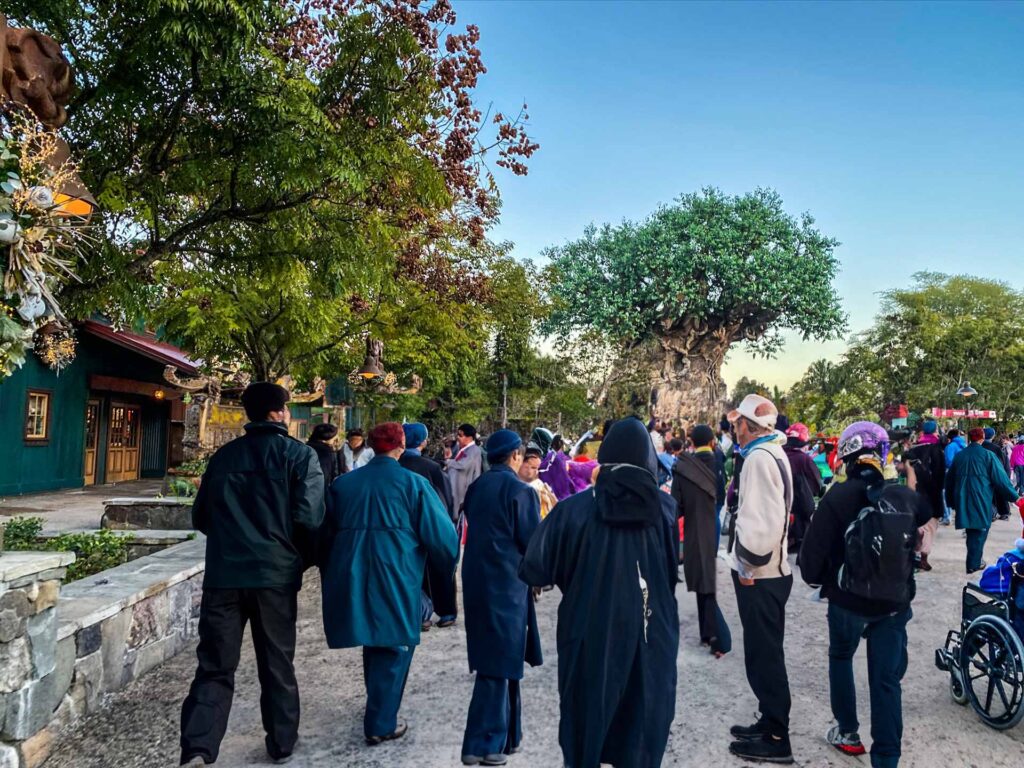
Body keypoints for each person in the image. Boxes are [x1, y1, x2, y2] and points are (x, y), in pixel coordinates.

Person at [180, 382, 325, 767]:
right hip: (275, 577)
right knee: (277, 662)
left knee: (214, 664)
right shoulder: (300, 456)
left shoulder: (223, 458)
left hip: (224, 575)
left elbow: (202, 517)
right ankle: (281, 742)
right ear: (279, 412)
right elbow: (310, 517)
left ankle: (198, 747)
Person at [521, 417, 678, 768]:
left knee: (587, 714)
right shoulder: (665, 511)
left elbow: (536, 567)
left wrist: (580, 580)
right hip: (651, 630)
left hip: (590, 629)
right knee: (643, 713)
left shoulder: (574, 510)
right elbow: (669, 571)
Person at [799, 421, 932, 767]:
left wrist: (829, 578)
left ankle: (848, 732)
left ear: (845, 455)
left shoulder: (836, 497)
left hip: (847, 604)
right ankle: (886, 758)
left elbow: (809, 566)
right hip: (893, 604)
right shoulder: (903, 495)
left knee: (841, 656)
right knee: (886, 680)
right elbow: (926, 525)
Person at [321, 422, 459, 745]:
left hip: (353, 572)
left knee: (373, 639)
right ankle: (381, 723)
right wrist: (444, 571)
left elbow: (323, 533)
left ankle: (377, 706)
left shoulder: (343, 485)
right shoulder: (413, 485)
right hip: (396, 573)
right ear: (400, 447)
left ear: (370, 446)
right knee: (394, 646)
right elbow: (444, 540)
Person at [460, 430, 542, 766]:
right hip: (506, 583)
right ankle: (482, 743)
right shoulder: (520, 492)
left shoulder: (477, 487)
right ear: (515, 456)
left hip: (477, 580)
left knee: (500, 654)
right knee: (498, 660)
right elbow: (532, 543)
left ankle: (509, 735)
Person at [725, 394, 795, 764]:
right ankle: (769, 720)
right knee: (763, 651)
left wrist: (747, 567)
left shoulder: (757, 459)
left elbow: (759, 522)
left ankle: (775, 736)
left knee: (765, 655)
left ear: (750, 427)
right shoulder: (772, 453)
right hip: (772, 571)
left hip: (762, 573)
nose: (734, 427)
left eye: (738, 423)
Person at [673, 424, 731, 657]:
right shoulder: (719, 460)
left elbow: (676, 506)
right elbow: (724, 492)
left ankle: (716, 637)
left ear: (692, 443)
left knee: (701, 580)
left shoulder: (683, 466)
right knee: (707, 579)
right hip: (713, 524)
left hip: (695, 528)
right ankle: (707, 634)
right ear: (712, 441)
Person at [399, 422, 459, 629]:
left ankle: (420, 613)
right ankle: (447, 612)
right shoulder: (431, 467)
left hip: (404, 528)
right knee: (441, 568)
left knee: (413, 569)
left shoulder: (396, 465)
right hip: (432, 525)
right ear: (423, 442)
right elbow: (446, 500)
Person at [945, 427, 1023, 574]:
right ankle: (974, 563)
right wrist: (1014, 496)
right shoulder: (988, 456)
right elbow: (1001, 480)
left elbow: (949, 481)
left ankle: (974, 560)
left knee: (971, 530)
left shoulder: (960, 456)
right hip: (981, 497)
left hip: (962, 498)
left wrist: (950, 501)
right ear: (981, 439)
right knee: (980, 530)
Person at [903, 420, 946, 571]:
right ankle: (923, 558)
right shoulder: (937, 449)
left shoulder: (913, 449)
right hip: (931, 494)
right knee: (930, 526)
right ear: (935, 431)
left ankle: (913, 555)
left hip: (914, 492)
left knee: (917, 525)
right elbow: (940, 474)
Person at [782, 422, 823, 554]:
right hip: (800, 516)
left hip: (779, 512)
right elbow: (818, 485)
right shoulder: (804, 459)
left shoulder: (779, 456)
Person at [447, 423, 483, 515]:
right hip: (457, 488)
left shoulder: (474, 450)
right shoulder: (462, 448)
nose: (458, 437)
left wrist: (447, 462)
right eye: (457, 435)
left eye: (461, 435)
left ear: (470, 437)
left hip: (464, 491)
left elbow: (463, 464)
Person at [982, 426, 1012, 521]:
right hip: (996, 474)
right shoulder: (996, 448)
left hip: (982, 475)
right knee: (999, 493)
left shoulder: (978, 447)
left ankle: (991, 513)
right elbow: (1003, 463)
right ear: (993, 436)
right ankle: (1003, 512)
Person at [520, 447, 558, 519]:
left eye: (537, 468)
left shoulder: (540, 486)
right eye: (533, 467)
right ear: (520, 463)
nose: (536, 472)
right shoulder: (513, 485)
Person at [307, 423, 342, 492]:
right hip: (320, 492)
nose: (336, 441)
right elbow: (329, 475)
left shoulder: (306, 448)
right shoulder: (327, 453)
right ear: (327, 439)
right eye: (334, 439)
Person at [539, 434, 574, 501]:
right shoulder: (562, 456)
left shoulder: (552, 455)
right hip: (562, 486)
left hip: (556, 488)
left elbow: (542, 467)